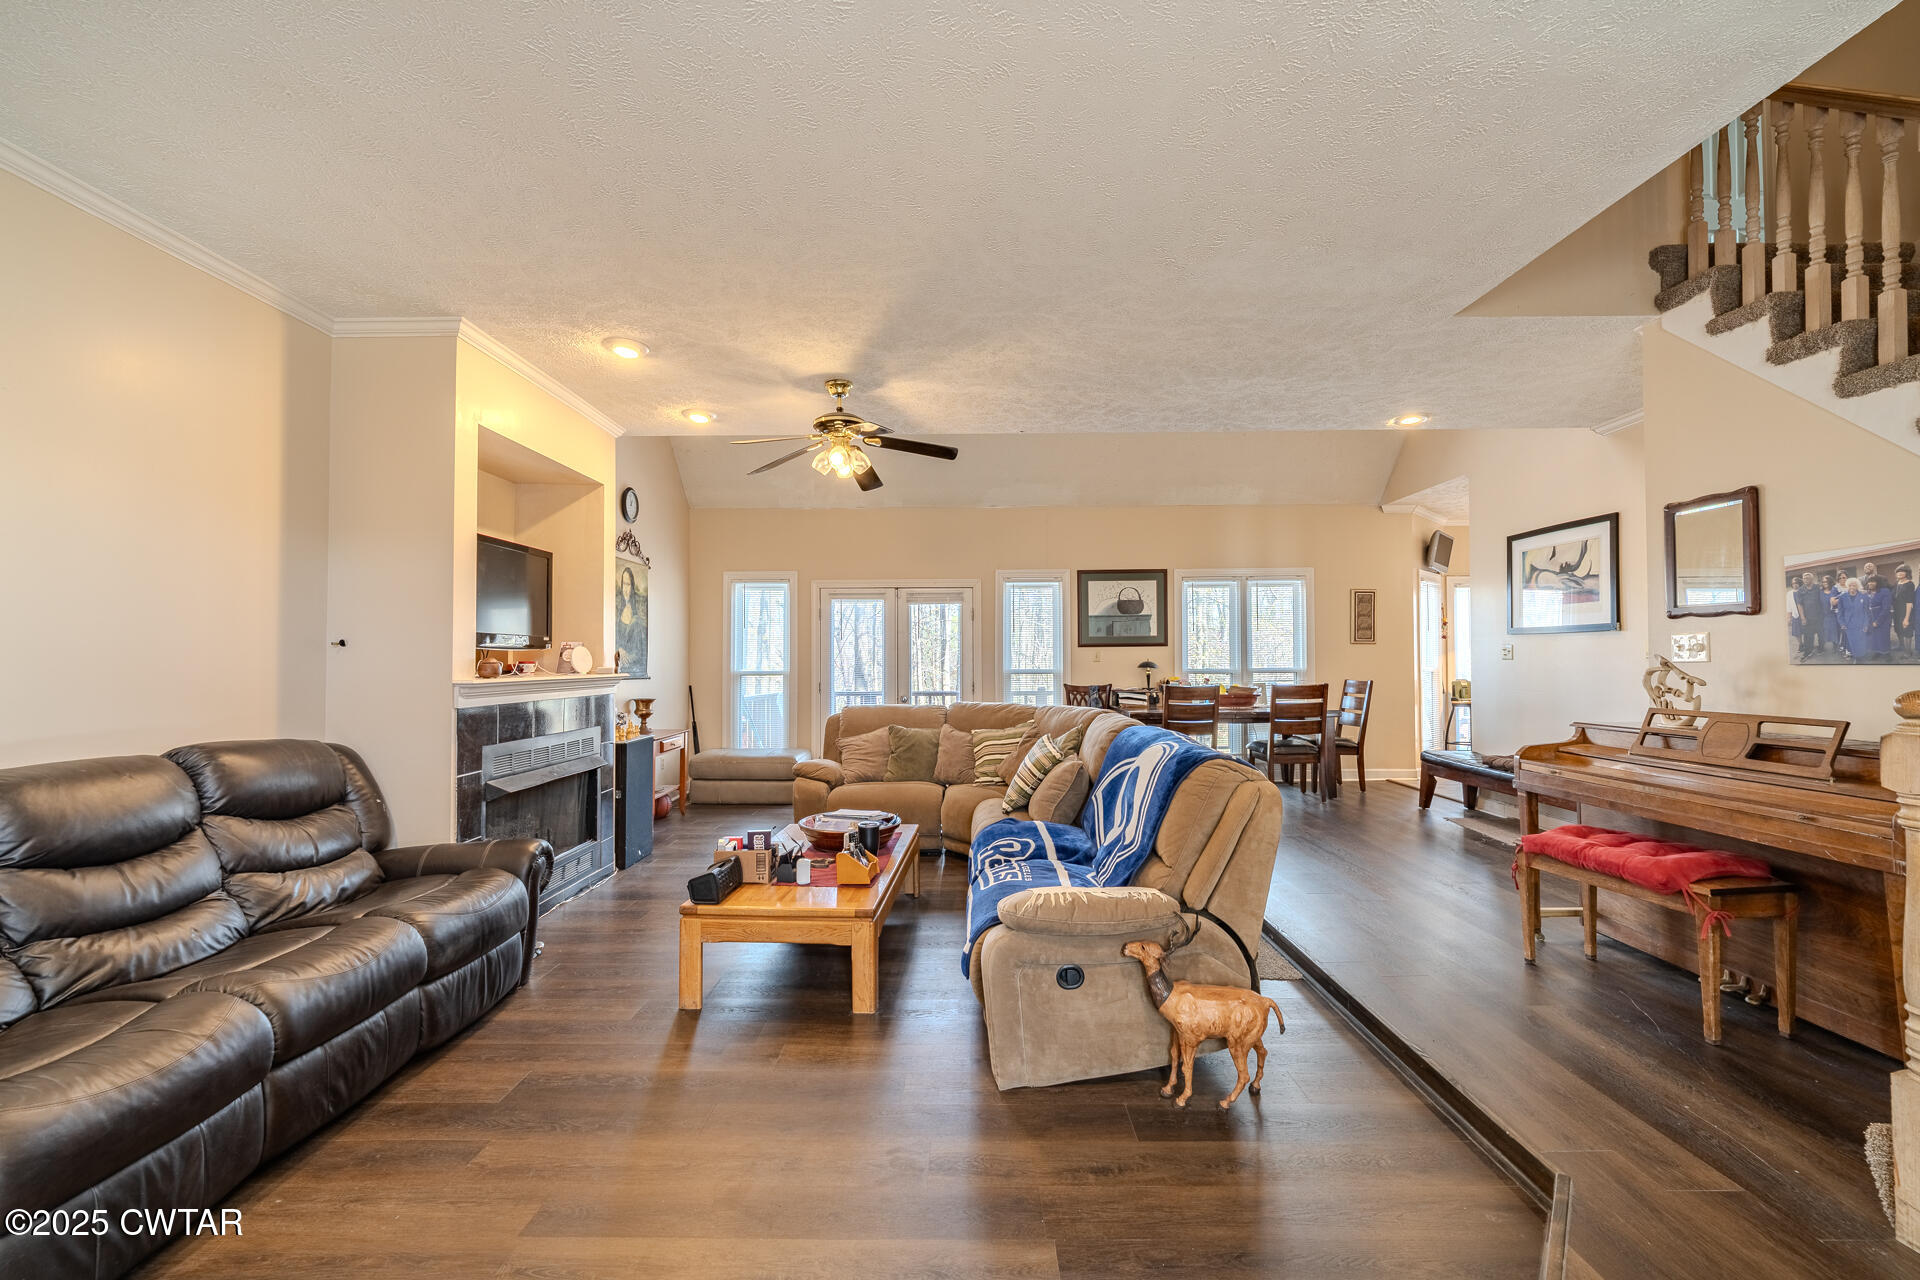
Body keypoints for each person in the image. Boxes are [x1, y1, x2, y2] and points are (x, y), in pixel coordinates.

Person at [1838, 577, 1872, 662]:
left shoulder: (1863, 596)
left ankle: (1860, 657)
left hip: (1860, 623)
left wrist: (1866, 624)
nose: (1852, 587)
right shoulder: (1843, 596)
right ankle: (1856, 657)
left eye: (1854, 585)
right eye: (1850, 585)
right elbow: (1840, 612)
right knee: (1852, 641)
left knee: (1861, 641)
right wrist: (1842, 623)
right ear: (1847, 586)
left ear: (1857, 586)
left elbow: (1867, 612)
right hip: (1848, 624)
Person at [1792, 571, 1825, 659]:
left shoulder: (1818, 587)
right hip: (1807, 617)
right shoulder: (1800, 590)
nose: (1805, 580)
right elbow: (1799, 605)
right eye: (1804, 578)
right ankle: (1808, 651)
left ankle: (1821, 648)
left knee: (1821, 633)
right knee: (1808, 636)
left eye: (1807, 578)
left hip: (1819, 616)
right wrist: (1802, 618)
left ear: (1812, 579)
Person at [1867, 574, 1895, 661]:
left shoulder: (1885, 591)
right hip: (1871, 618)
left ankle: (1886, 653)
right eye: (1869, 581)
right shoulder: (1868, 592)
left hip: (1883, 618)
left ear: (1878, 582)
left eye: (1873, 581)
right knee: (1874, 636)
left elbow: (1886, 608)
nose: (1870, 583)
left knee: (1883, 636)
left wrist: (1878, 621)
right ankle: (1877, 652)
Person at [1896, 564, 1916, 656]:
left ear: (1907, 573)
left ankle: (1908, 652)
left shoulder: (1909, 584)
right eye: (1898, 571)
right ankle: (1902, 648)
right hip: (1897, 612)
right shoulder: (1898, 583)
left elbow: (1909, 602)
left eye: (1902, 571)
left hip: (1906, 611)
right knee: (1900, 630)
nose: (1899, 573)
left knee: (1907, 631)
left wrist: (1906, 618)